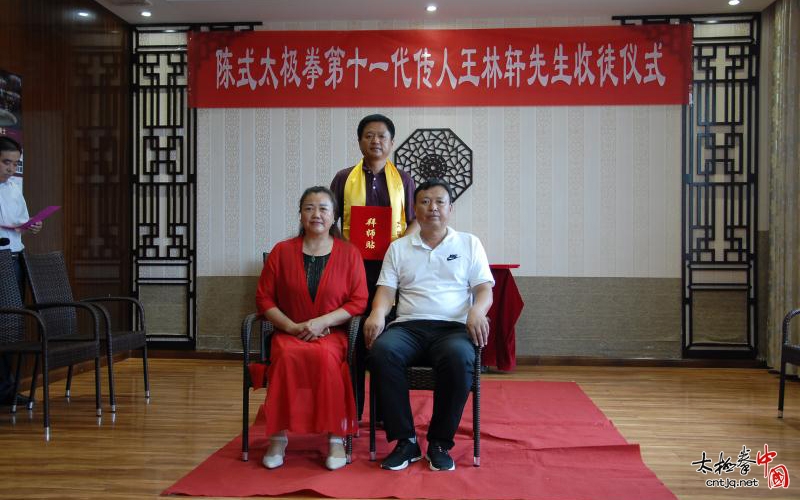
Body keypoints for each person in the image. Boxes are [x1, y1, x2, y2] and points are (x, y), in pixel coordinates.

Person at [364, 178, 494, 471]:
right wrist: (377, 313)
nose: (432, 207)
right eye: (424, 201)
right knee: (382, 352)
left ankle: (439, 442)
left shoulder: (469, 243)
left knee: (460, 357)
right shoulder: (399, 247)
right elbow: (386, 291)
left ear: (450, 208)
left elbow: (484, 288)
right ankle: (406, 441)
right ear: (415, 209)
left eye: (439, 202)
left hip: (453, 328)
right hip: (408, 327)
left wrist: (478, 310)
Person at [255, 186, 368, 471]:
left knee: (326, 358)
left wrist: (323, 321)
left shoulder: (349, 253)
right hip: (288, 332)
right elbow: (264, 298)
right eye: (309, 208)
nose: (316, 214)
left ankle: (335, 437)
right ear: (300, 215)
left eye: (323, 208)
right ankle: (277, 437)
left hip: (331, 335)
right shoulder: (282, 251)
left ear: (334, 216)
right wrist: (292, 327)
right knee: (286, 356)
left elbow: (359, 300)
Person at [329, 113, 418, 419]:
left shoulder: (404, 179)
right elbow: (330, 219)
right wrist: (345, 247)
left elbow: (414, 221)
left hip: (392, 271)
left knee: (386, 338)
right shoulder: (344, 178)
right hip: (352, 270)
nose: (375, 141)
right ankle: (352, 411)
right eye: (369, 135)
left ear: (391, 143)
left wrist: (398, 247)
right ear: (359, 141)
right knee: (353, 337)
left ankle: (384, 413)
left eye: (382, 136)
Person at [0, 136, 42, 406]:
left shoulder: (15, 187)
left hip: (15, 259)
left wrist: (32, 225)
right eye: (6, 162)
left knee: (10, 325)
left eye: (15, 163)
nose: (11, 169)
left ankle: (6, 389)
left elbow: (22, 222)